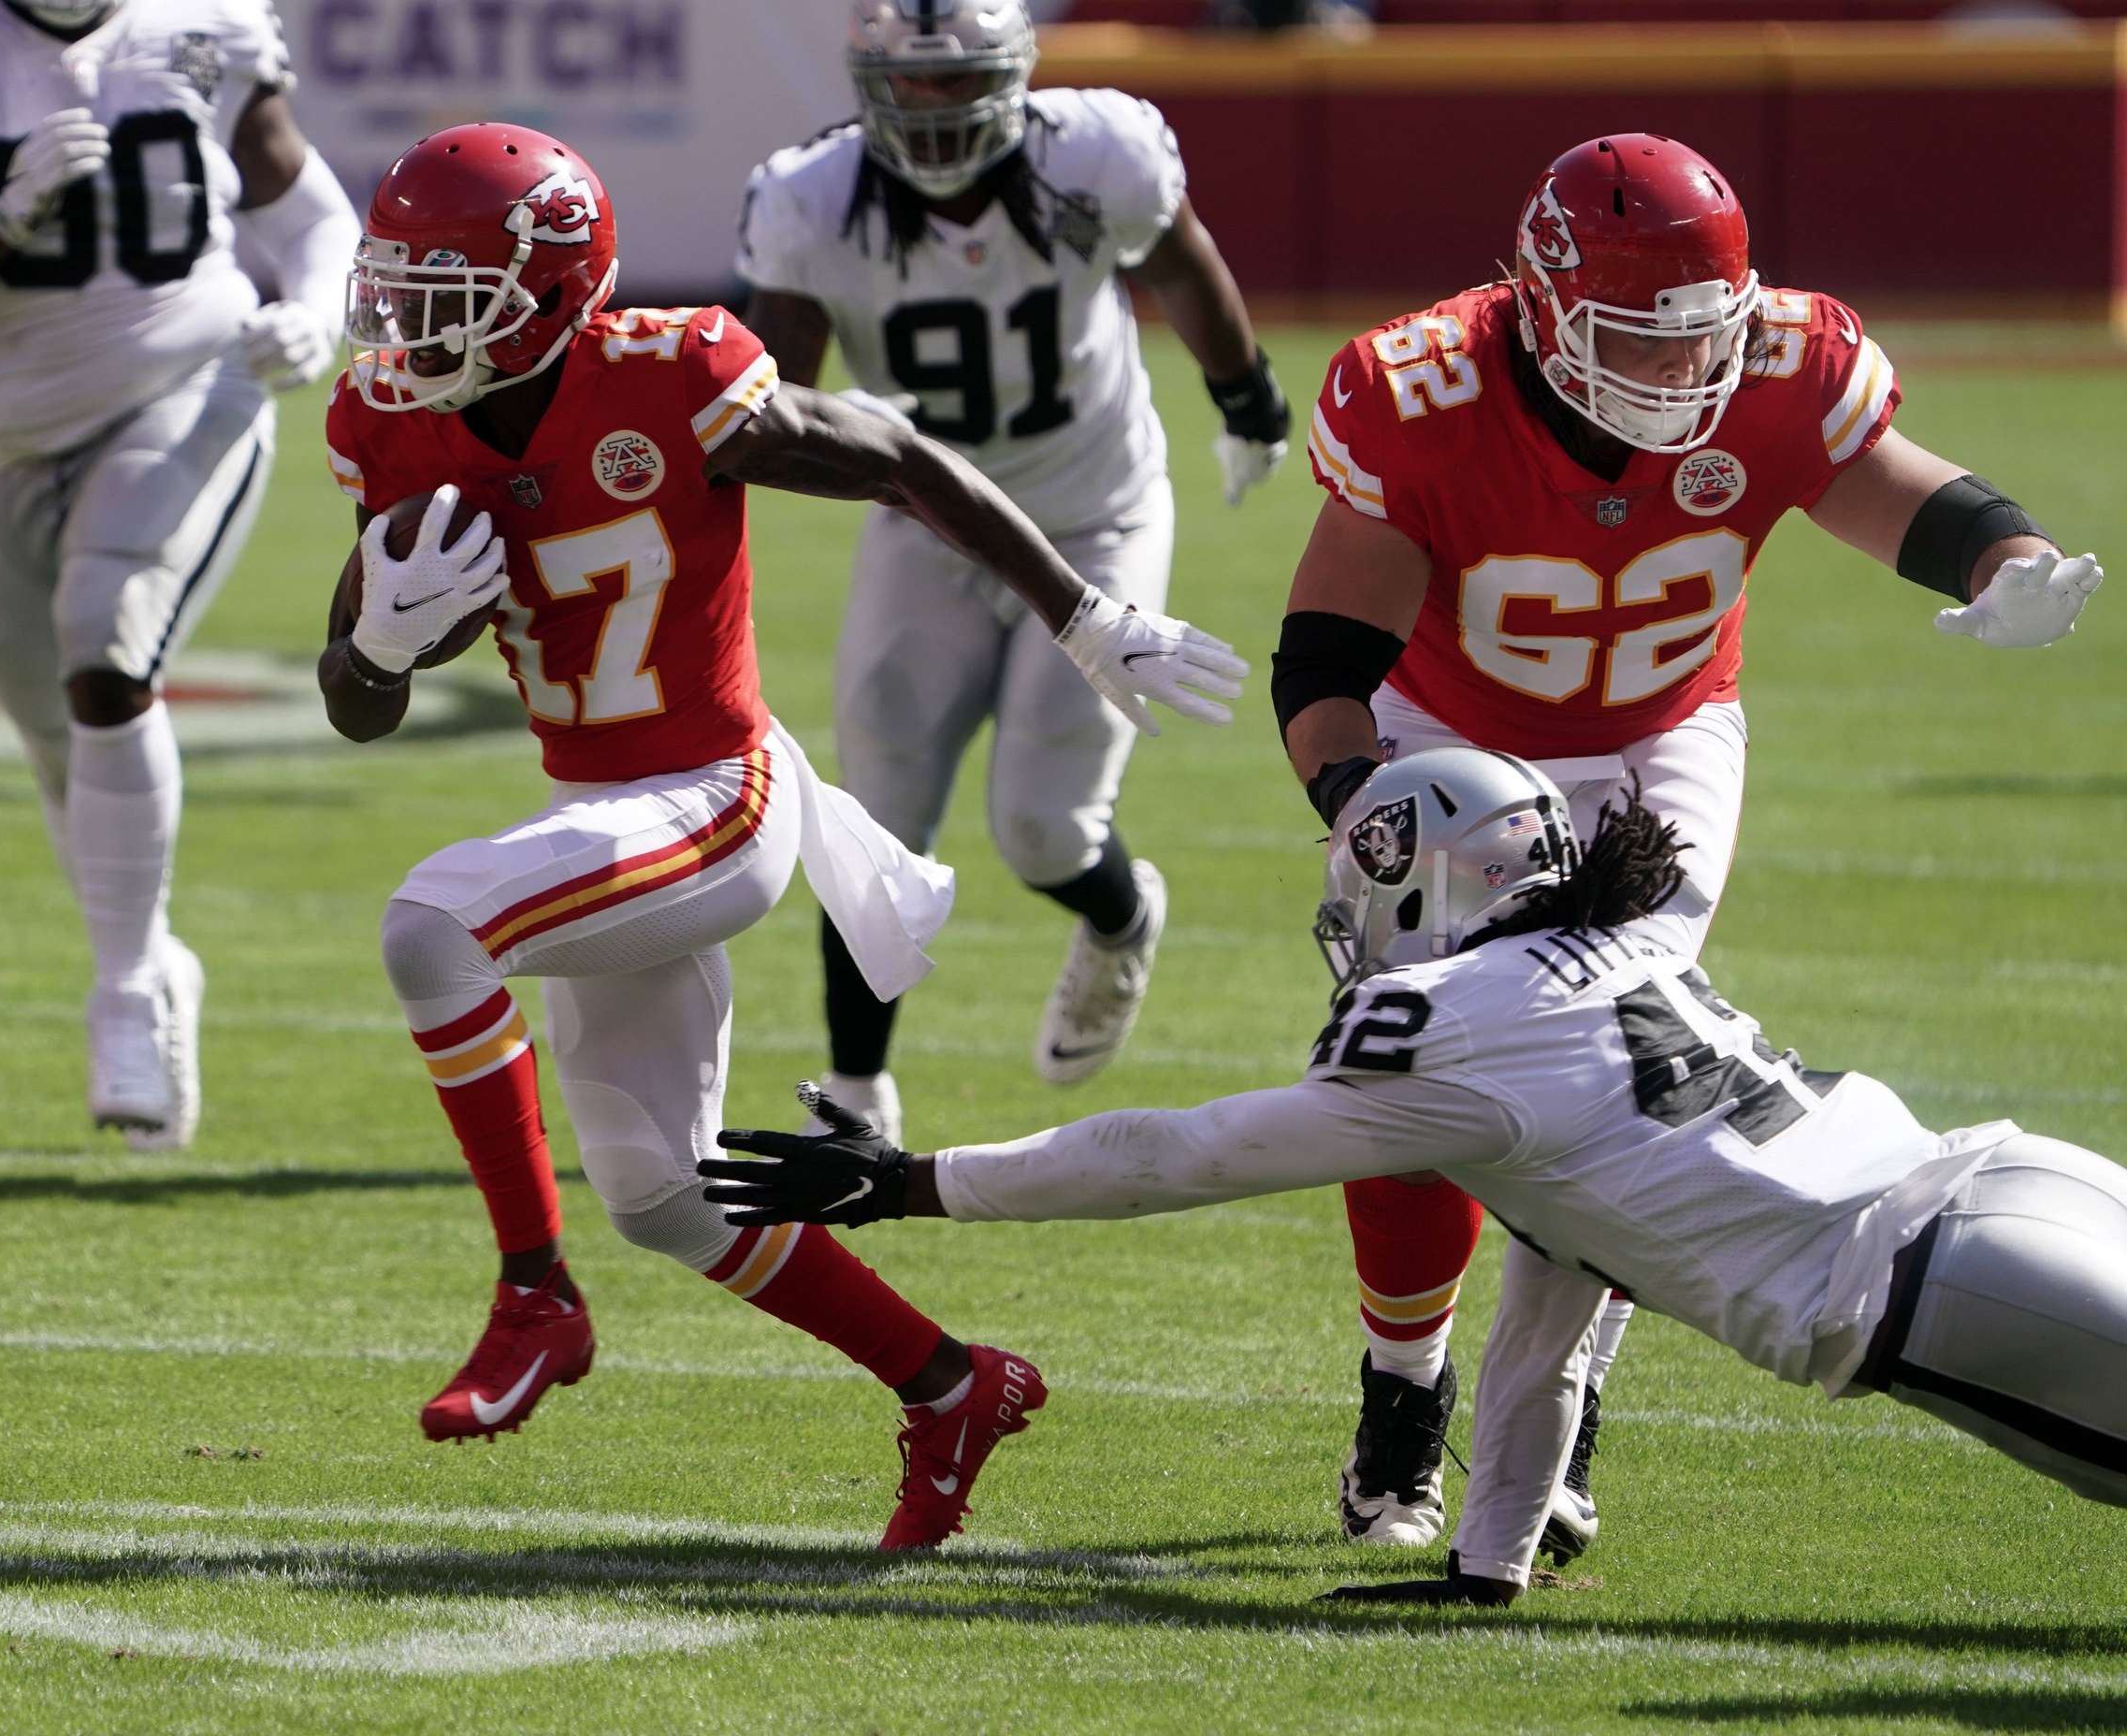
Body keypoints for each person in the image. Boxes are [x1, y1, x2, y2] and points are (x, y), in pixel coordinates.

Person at [317, 123, 1244, 1548]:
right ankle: (951, 1387)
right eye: (396, 292)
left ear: (549, 289)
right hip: (604, 820)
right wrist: (377, 646)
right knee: (665, 1198)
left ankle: (532, 1296)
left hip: (716, 798)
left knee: (431, 928)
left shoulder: (669, 375)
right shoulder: (392, 426)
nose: (404, 329)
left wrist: (1084, 616)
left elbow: (901, 461)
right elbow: (356, 710)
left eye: (442, 296)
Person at [701, 748, 2127, 1599]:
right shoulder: (1618, 959)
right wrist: (1488, 1561)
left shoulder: (1447, 1023)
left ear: (1421, 876)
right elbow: (1559, 1300)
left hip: (1939, 1288)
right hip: (2012, 1185)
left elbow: (1176, 1154)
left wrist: (909, 1183)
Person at [1271, 133, 2103, 1551]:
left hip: (1663, 742)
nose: (1678, 372)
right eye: (1635, 340)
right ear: (1540, 305)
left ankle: (1568, 1391)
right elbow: (1328, 656)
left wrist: (2007, 558)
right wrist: (1366, 803)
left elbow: (1898, 487)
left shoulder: (1777, 367)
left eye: (1698, 340)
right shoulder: (1426, 391)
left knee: (1603, 1078)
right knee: (1411, 1071)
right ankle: (1401, 1389)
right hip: (1454, 750)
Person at [737, 0, 1293, 1137]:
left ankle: (1122, 913)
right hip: (922, 522)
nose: (933, 112)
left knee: (1043, 828)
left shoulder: (1099, 152)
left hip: (1095, 515)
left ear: (1015, 76)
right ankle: (854, 1093)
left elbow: (1180, 264)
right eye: (911, 87)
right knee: (874, 818)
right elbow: (771, 392)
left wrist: (1247, 393)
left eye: (959, 83)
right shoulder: (811, 198)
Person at [0, 0, 360, 1149]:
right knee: (64, 748)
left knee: (105, 658)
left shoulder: (204, 21)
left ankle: (121, 993)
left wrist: (316, 308)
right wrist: (1, 223)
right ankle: (156, 959)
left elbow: (308, 208)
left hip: (186, 383)